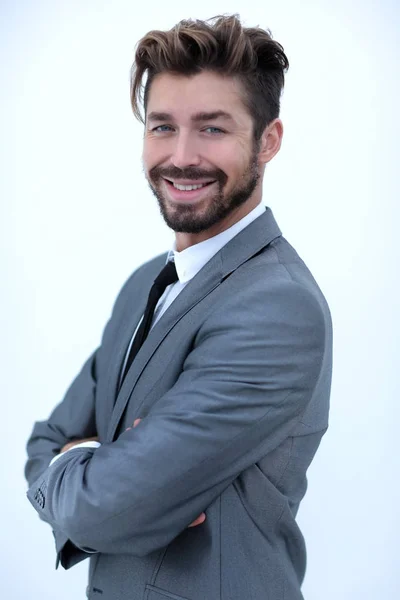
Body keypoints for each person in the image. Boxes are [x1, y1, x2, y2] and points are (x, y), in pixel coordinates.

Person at [25, 14, 332, 600]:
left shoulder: (278, 307)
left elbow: (101, 508)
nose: (182, 157)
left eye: (212, 129)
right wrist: (104, 464)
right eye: (162, 126)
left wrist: (101, 472)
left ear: (268, 140)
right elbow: (47, 439)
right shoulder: (147, 282)